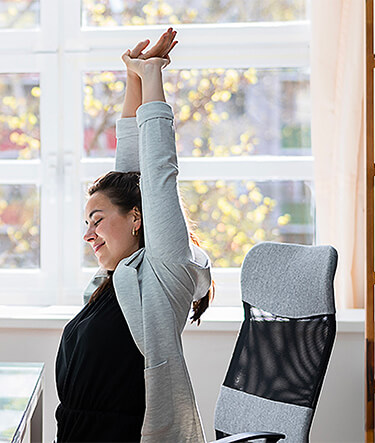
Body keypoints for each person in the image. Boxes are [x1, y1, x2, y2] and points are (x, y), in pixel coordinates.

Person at [54, 28, 216, 442]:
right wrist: (133, 77)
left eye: (97, 220)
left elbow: (158, 171)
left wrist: (155, 73)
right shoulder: (125, 277)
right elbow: (132, 171)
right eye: (86, 223)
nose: (89, 235)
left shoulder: (162, 274)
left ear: (137, 220)